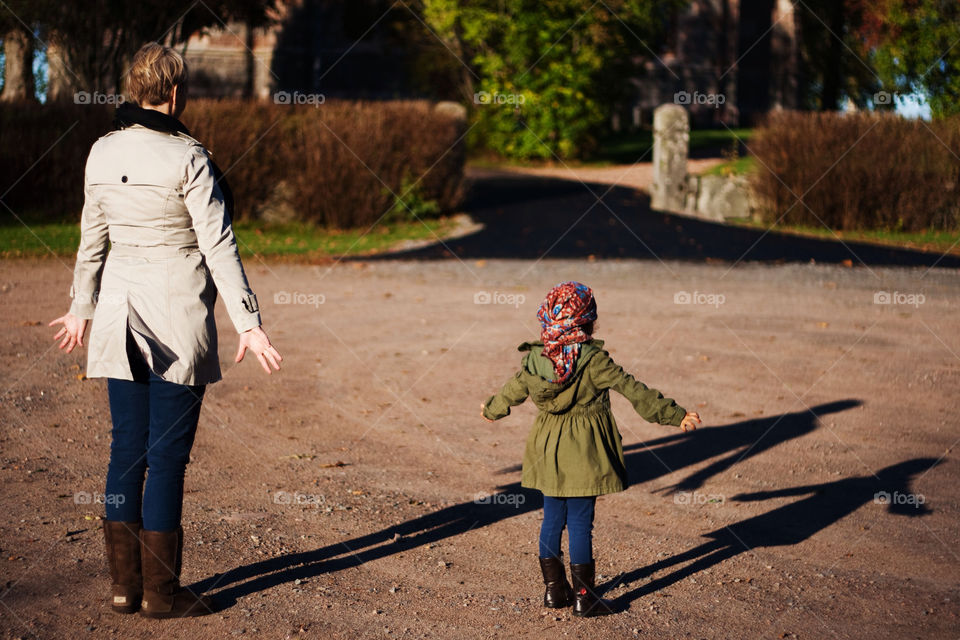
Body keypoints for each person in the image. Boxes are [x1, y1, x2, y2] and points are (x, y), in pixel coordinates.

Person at [49, 42, 282, 619]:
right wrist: (249, 324)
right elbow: (218, 246)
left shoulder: (101, 151)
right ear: (175, 93)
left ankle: (124, 589)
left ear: (134, 89)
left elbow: (91, 241)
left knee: (126, 449)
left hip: (117, 315)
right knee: (168, 457)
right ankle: (161, 595)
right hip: (176, 317)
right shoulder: (189, 157)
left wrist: (80, 309)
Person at [481, 281, 700, 617]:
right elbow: (632, 388)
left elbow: (513, 389)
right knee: (581, 522)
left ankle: (554, 590)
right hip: (584, 451)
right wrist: (674, 414)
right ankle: (585, 598)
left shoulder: (535, 358)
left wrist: (493, 408)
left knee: (552, 518)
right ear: (588, 321)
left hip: (547, 449)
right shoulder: (594, 359)